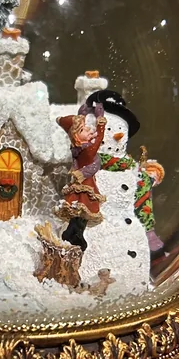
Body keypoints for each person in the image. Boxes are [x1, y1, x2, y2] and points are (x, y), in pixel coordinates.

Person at [56, 104, 107, 251]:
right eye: (83, 129)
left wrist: (82, 115)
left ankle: (72, 232)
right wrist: (100, 121)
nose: (88, 129)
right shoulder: (88, 149)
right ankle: (76, 233)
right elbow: (99, 138)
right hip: (86, 183)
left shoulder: (77, 148)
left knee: (79, 210)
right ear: (77, 137)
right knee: (85, 209)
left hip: (80, 182)